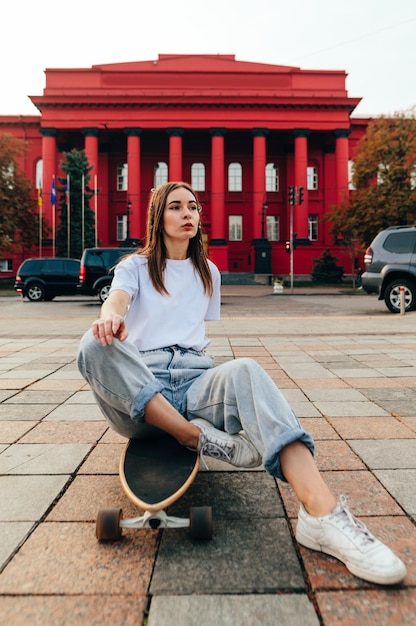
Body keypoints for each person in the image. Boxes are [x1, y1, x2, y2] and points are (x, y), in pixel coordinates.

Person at [77, 181, 406, 586]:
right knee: (94, 341)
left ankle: (322, 514)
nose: (187, 214)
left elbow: (192, 332)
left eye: (193, 207)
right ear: (157, 217)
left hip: (195, 382)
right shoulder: (135, 267)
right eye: (176, 207)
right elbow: (119, 299)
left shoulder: (208, 273)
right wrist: (111, 315)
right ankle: (192, 438)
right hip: (143, 388)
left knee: (247, 368)